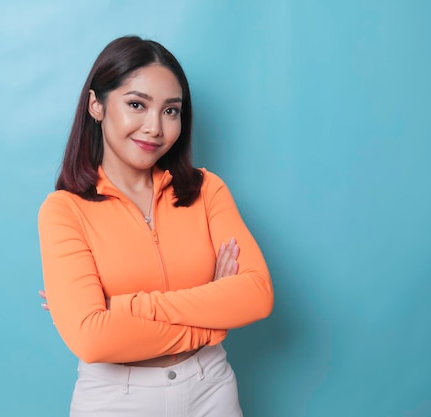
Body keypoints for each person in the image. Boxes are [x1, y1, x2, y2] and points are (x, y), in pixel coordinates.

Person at [37, 35, 274, 417]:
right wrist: (210, 320)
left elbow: (257, 295)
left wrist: (122, 306)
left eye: (170, 111)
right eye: (136, 105)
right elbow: (92, 339)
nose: (155, 128)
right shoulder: (64, 211)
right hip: (117, 398)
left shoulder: (206, 189)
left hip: (210, 387)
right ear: (96, 105)